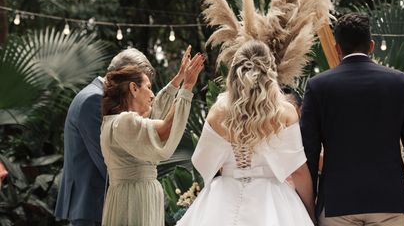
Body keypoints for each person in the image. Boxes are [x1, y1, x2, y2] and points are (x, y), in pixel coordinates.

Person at [301, 12, 404, 226]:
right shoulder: (400, 83)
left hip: (336, 202)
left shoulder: (318, 86)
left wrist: (310, 203)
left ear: (338, 49)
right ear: (371, 46)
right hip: (389, 201)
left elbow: (309, 150)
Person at [177, 40, 316, 226]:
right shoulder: (285, 112)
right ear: (270, 72)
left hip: (222, 199)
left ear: (234, 74)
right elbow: (298, 171)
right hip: (273, 198)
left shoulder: (218, 112)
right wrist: (309, 213)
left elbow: (203, 163)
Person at [55, 47, 191, 226]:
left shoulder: (98, 97)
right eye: (141, 85)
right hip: (95, 205)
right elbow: (110, 161)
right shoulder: (95, 99)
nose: (147, 94)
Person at [100, 48, 205, 226]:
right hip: (135, 200)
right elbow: (163, 129)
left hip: (131, 194)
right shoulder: (124, 122)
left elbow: (155, 113)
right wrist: (186, 87)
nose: (152, 95)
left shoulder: (115, 122)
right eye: (148, 88)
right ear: (133, 88)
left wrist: (179, 77)